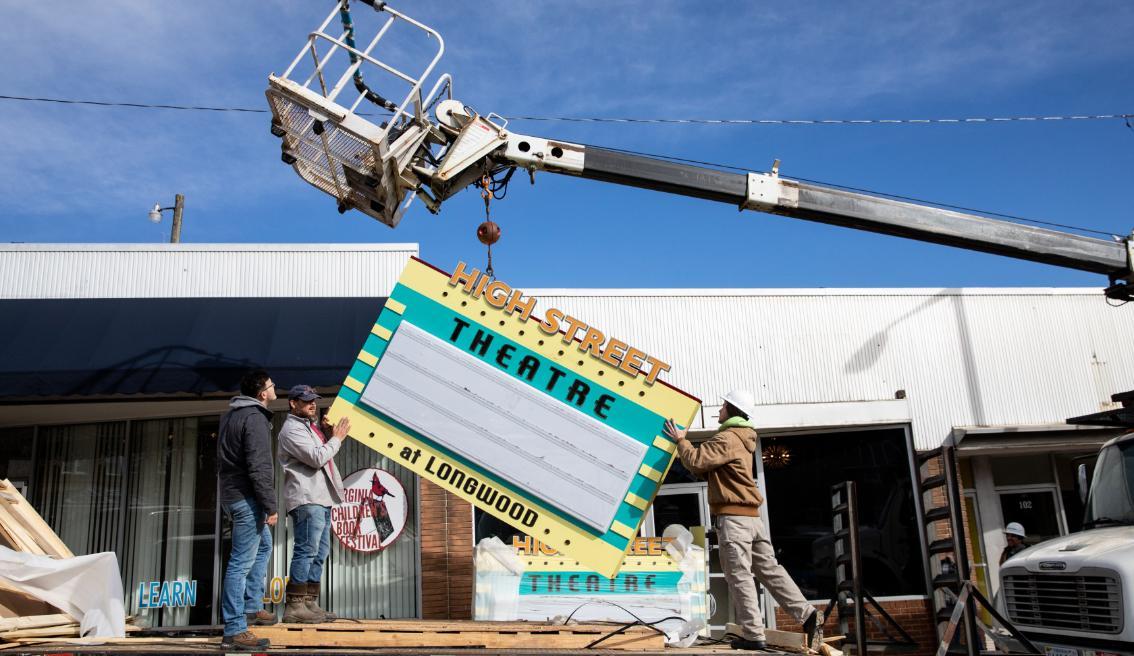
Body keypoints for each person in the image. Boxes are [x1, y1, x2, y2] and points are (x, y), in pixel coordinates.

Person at [665, 389, 821, 652]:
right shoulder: (744, 438)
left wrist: (681, 440)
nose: (720, 410)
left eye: (724, 406)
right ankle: (807, 614)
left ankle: (753, 634)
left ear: (732, 410)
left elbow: (695, 461)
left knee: (739, 576)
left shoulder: (727, 438)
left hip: (734, 519)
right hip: (752, 519)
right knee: (770, 570)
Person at [277, 385, 351, 623]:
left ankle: (309, 602)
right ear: (293, 403)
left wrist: (328, 434)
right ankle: (295, 606)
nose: (313, 404)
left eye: (314, 400)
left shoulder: (309, 427)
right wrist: (337, 439)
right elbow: (317, 457)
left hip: (321, 496)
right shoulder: (290, 430)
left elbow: (321, 451)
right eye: (307, 401)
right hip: (307, 497)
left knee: (319, 552)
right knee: (306, 550)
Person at [217, 369, 279, 650]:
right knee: (240, 564)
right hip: (246, 497)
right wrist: (270, 505)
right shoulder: (254, 418)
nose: (274, 387)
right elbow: (259, 466)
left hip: (232, 494)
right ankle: (234, 629)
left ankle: (252, 606)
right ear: (262, 393)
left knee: (263, 545)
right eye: (271, 385)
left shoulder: (231, 415)